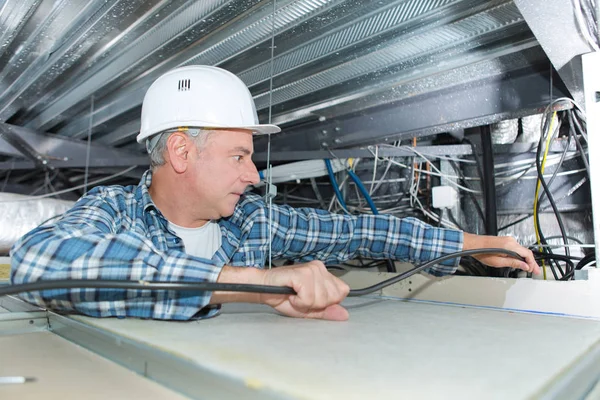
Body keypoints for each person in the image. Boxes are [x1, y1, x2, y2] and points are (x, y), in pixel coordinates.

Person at [10, 66, 540, 322]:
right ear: (181, 152)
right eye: (239, 156)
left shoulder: (257, 222)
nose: (255, 176)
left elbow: (362, 231)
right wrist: (258, 284)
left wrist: (473, 243)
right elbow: (41, 263)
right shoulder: (113, 211)